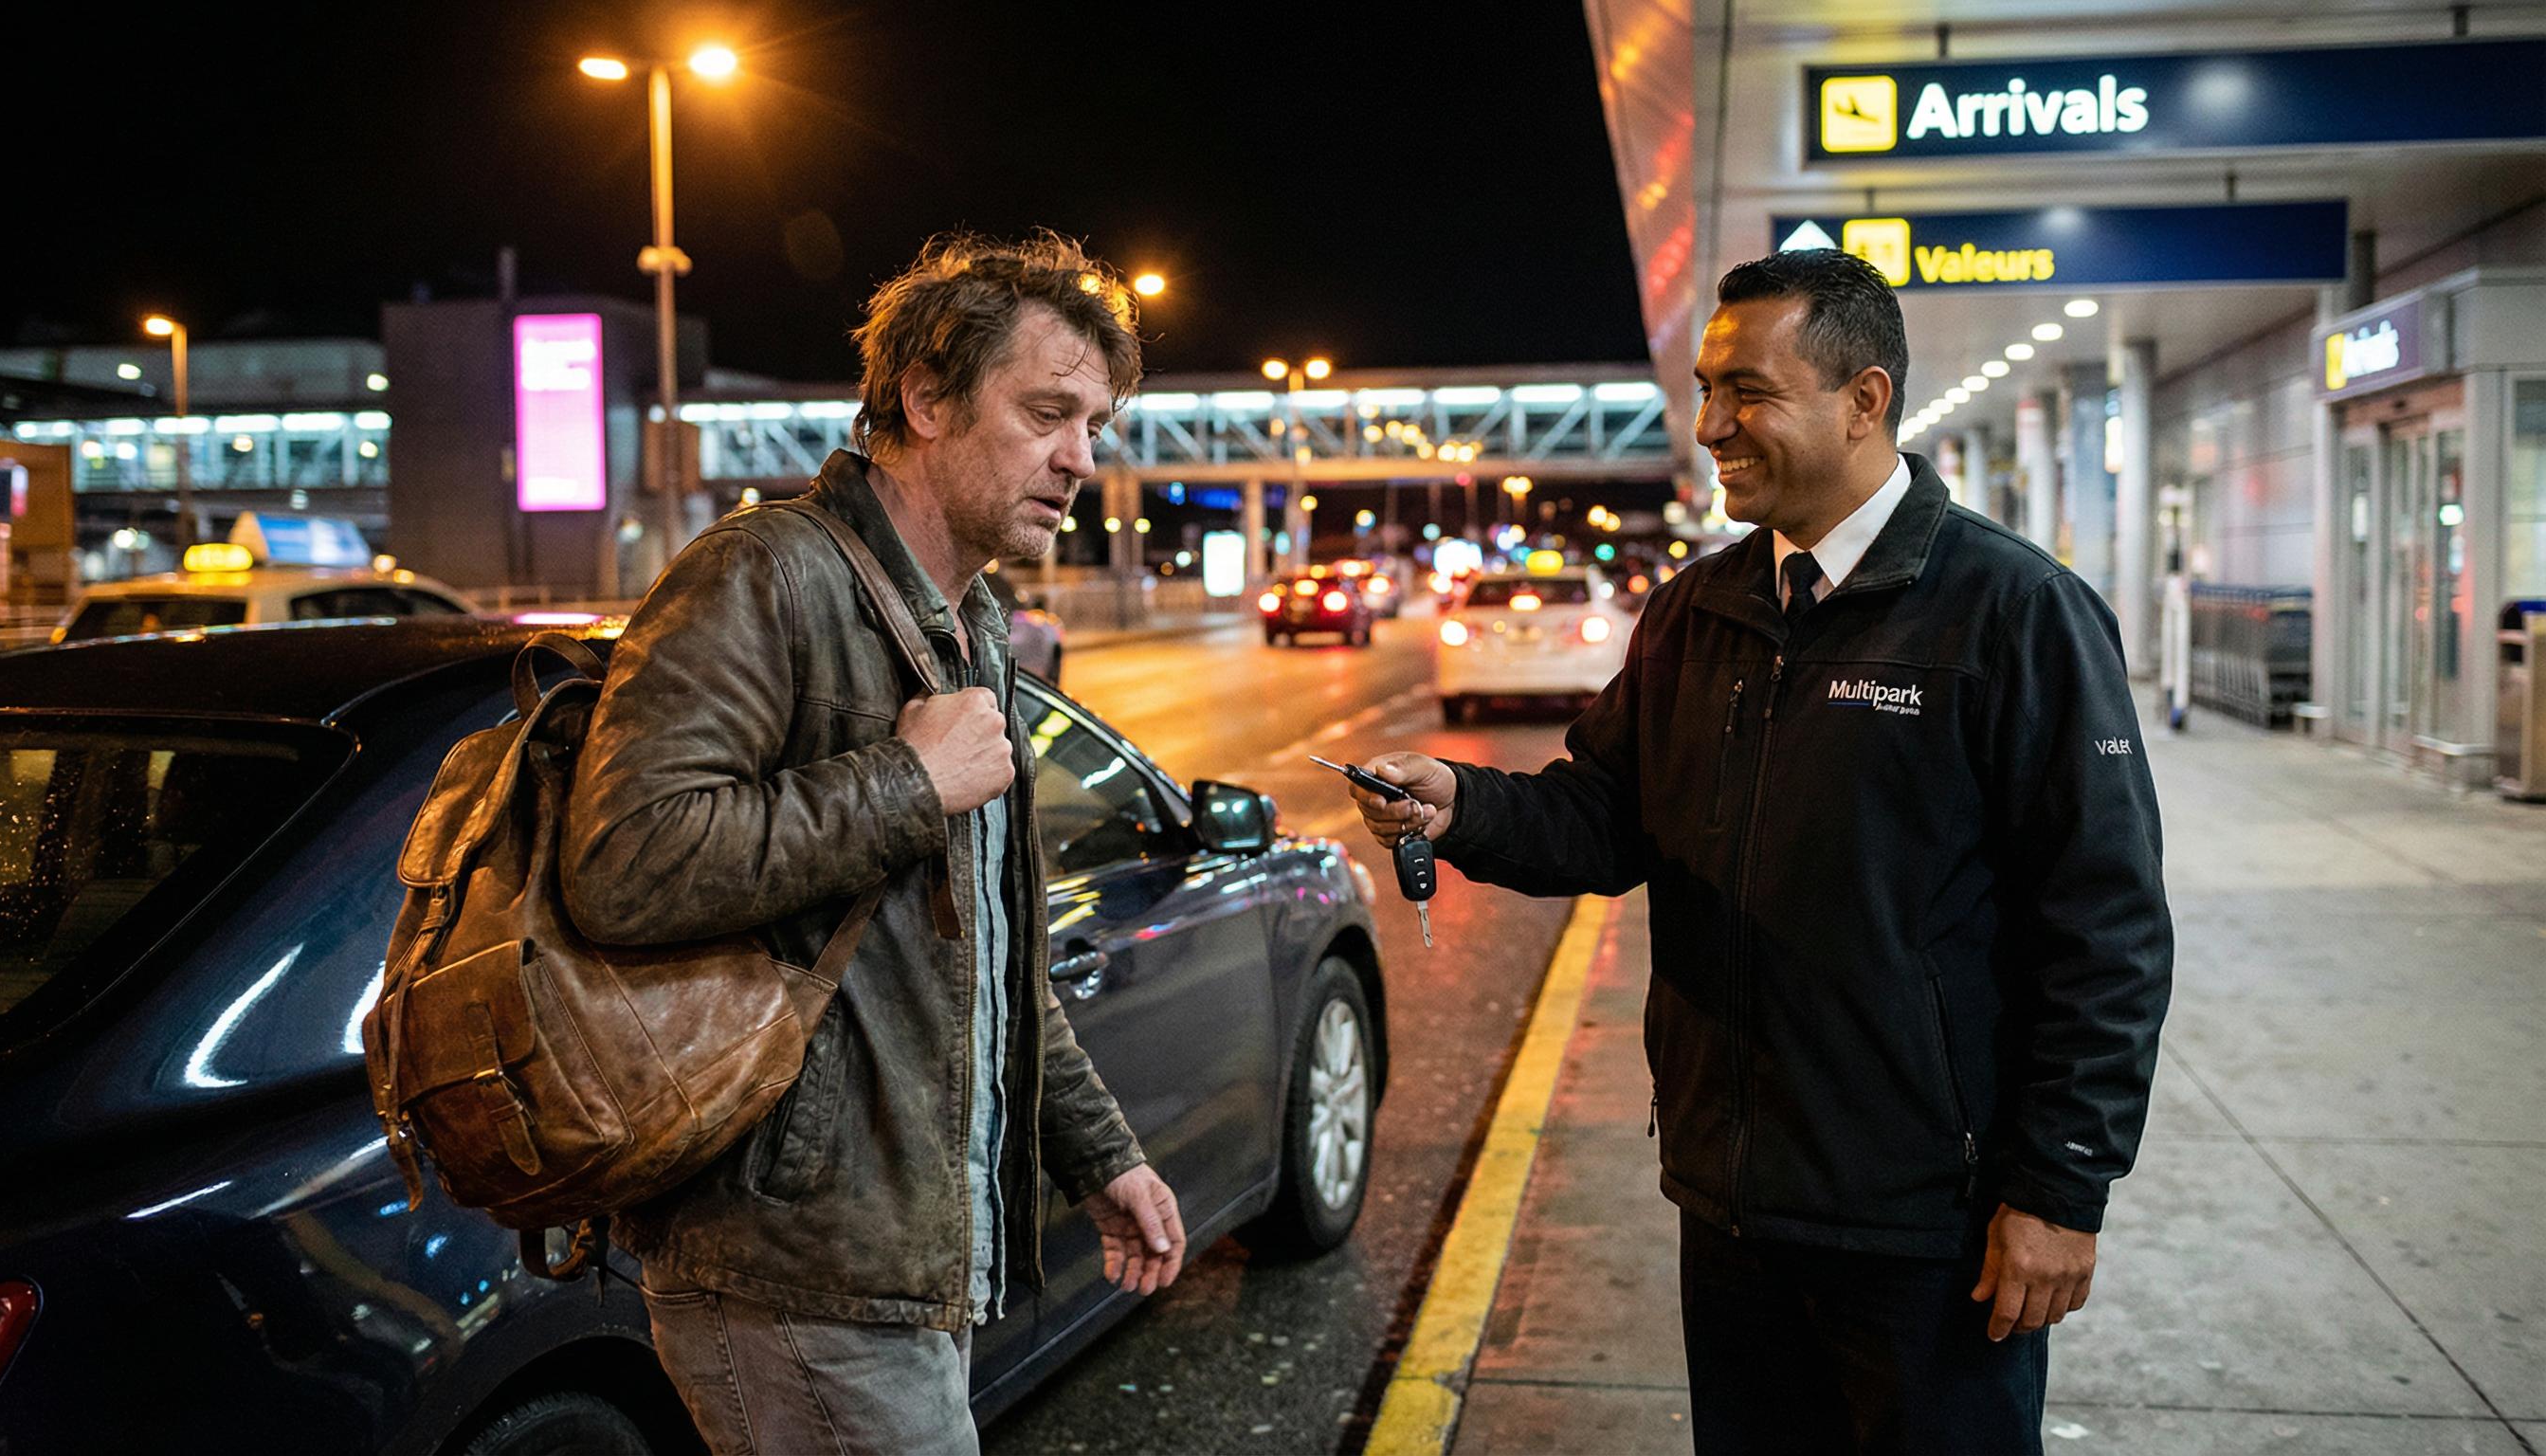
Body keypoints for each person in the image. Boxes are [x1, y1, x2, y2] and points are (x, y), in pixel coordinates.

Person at [1347, 248, 2172, 1455]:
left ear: (1863, 400)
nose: (1710, 426)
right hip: (1731, 1202)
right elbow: (1605, 816)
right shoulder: (1700, 608)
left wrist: (2058, 1186)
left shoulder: (2014, 610)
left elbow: (2106, 927)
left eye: (1748, 393)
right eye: (1704, 390)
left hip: (1926, 1223)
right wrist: (1460, 806)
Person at [564, 233, 1185, 1455]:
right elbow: (625, 860)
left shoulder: (969, 622)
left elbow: (992, 958)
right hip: (787, 1261)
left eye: (1095, 426)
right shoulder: (763, 574)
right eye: (1047, 413)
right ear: (927, 399)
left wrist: (1097, 1155)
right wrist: (908, 782)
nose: (1081, 458)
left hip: (901, 1254)